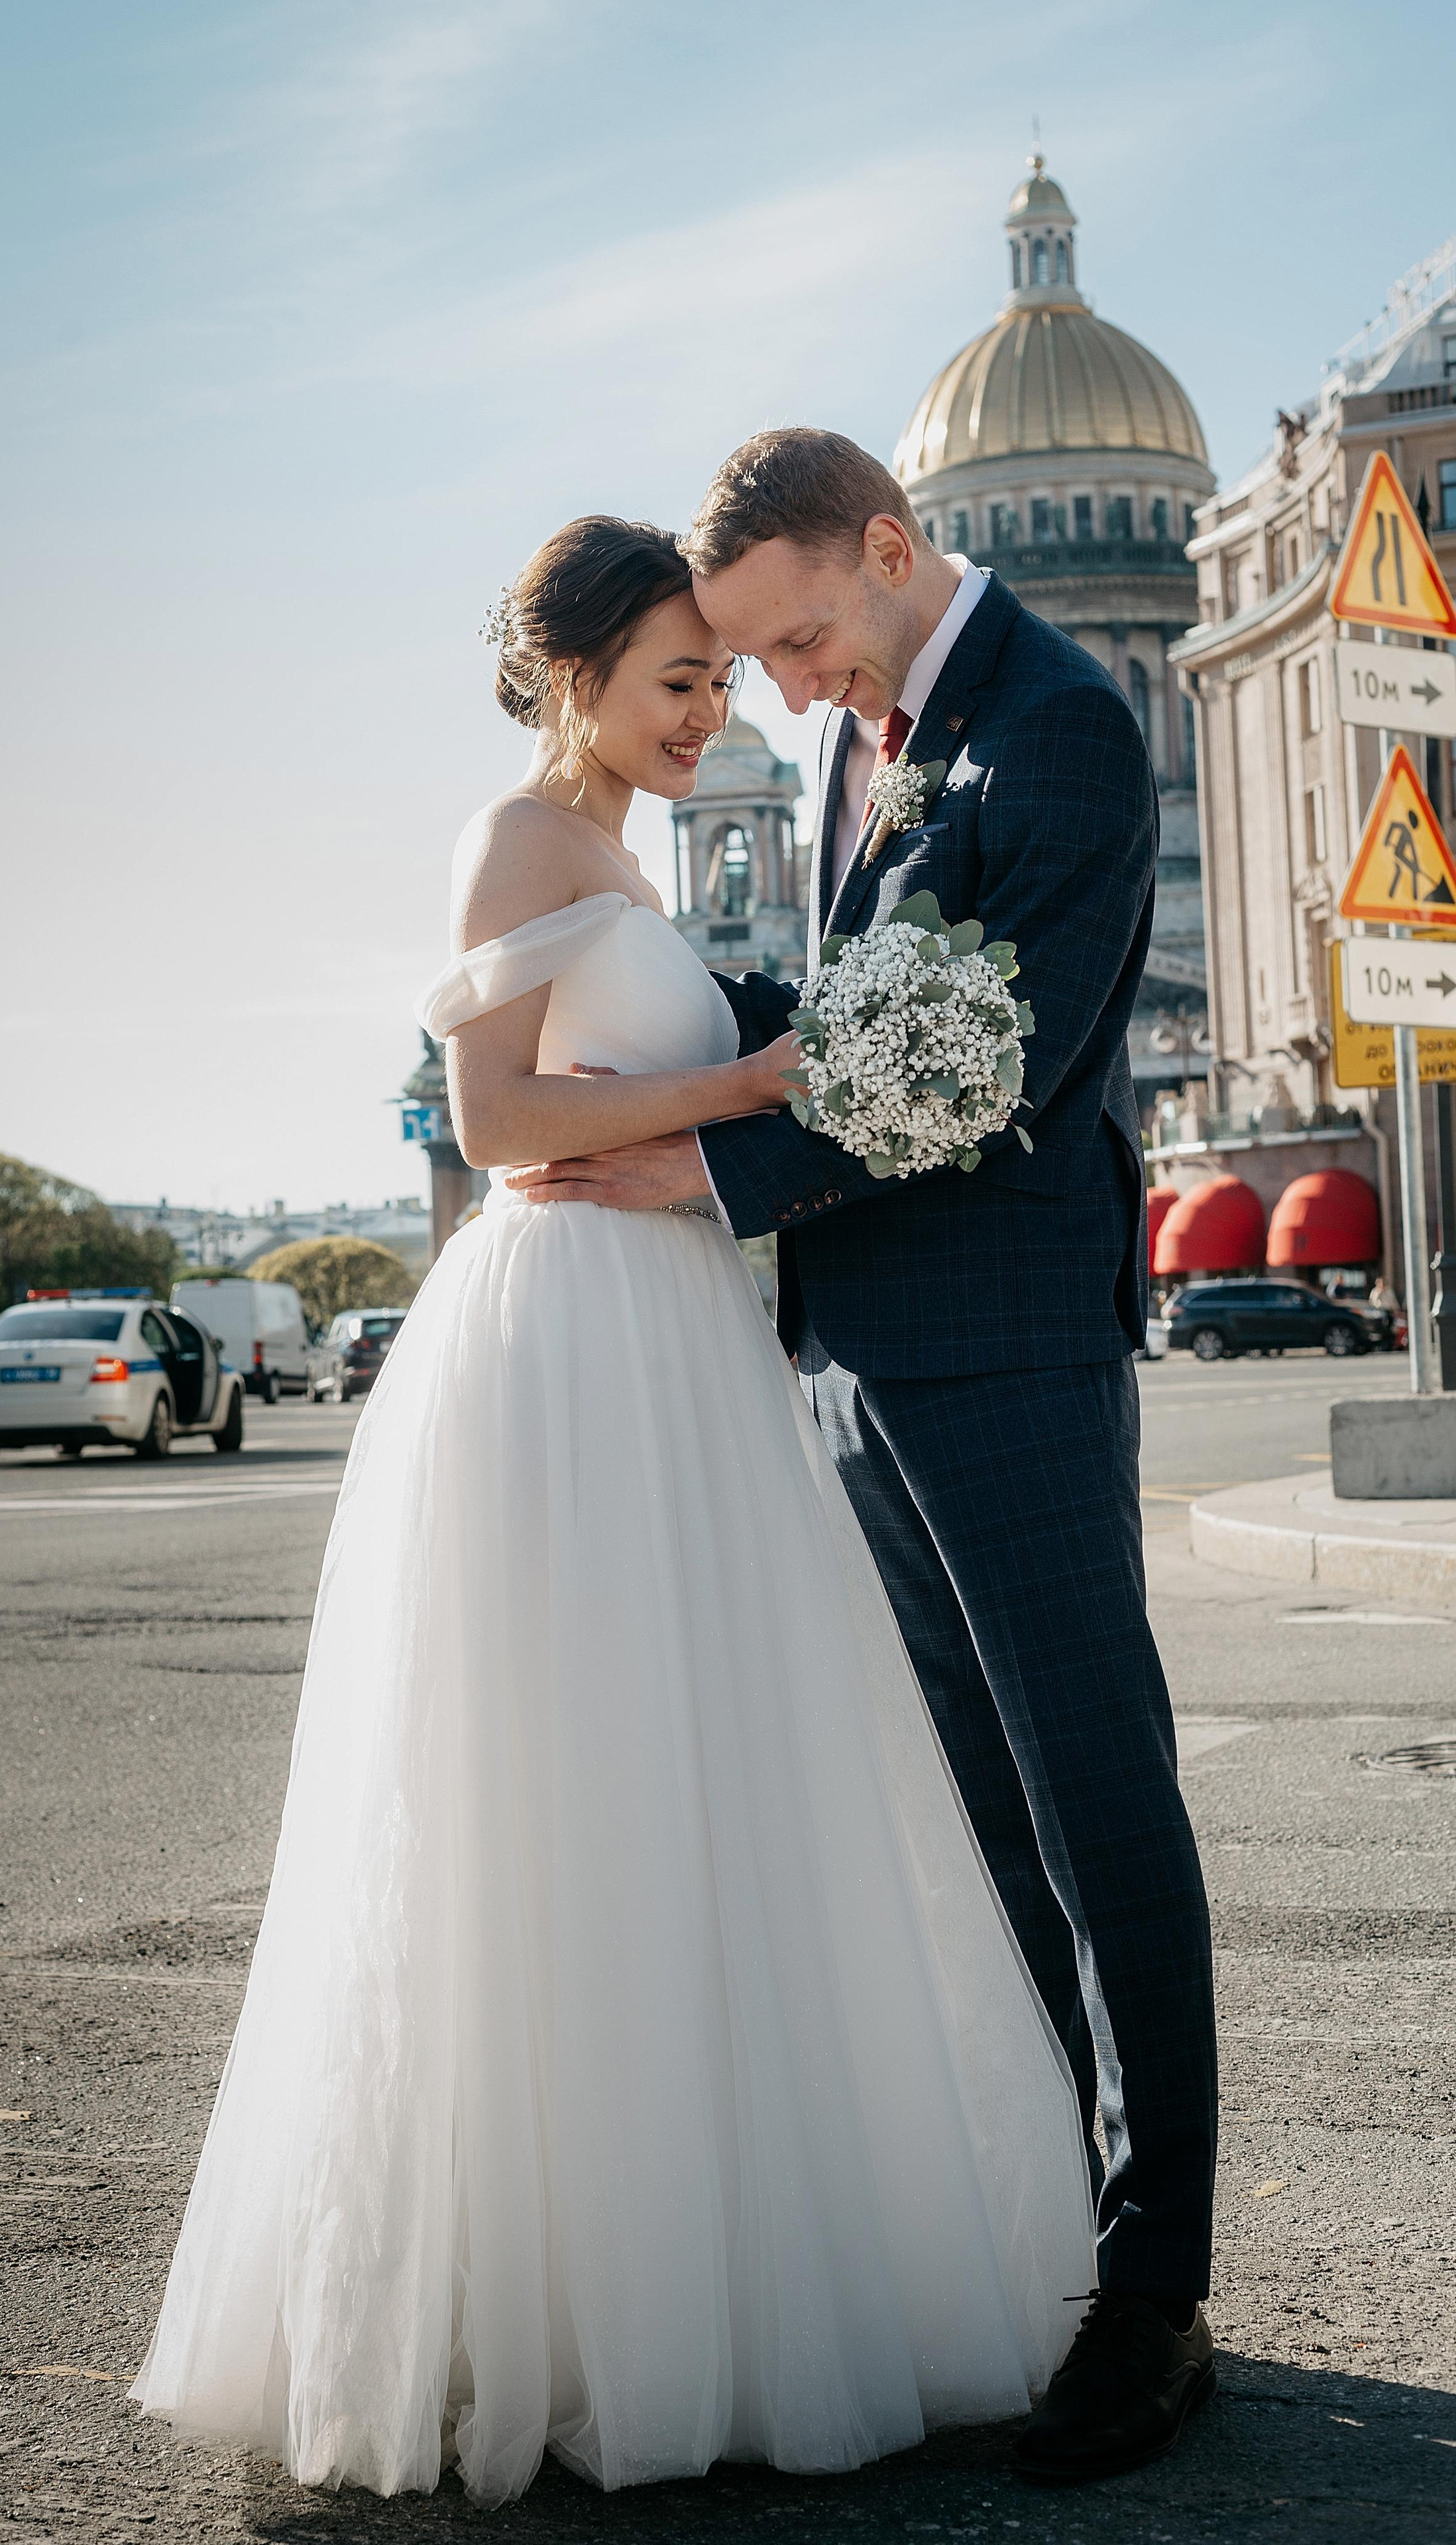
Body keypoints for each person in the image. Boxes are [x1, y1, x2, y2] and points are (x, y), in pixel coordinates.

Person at [133, 517, 1097, 2504]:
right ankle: (566, 2304)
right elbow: (493, 1125)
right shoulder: (517, 840)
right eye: (678, 678)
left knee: (698, 1788)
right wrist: (749, 1086)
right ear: (572, 676)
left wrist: (748, 1096)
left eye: (724, 679)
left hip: (662, 1337)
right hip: (561, 1342)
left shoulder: (621, 854)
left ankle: (702, 2271)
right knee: (563, 1796)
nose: (711, 711)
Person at [510, 431, 1219, 2483]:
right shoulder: (864, 737)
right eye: (752, 660)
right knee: (983, 1821)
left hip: (1000, 1352)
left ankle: (1155, 2286)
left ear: (894, 547)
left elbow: (997, 1065)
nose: (794, 688)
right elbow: (845, 1011)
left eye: (806, 636)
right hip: (851, 1363)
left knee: (1095, 1813)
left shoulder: (1063, 732)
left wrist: (699, 1163)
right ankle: (1052, 2244)